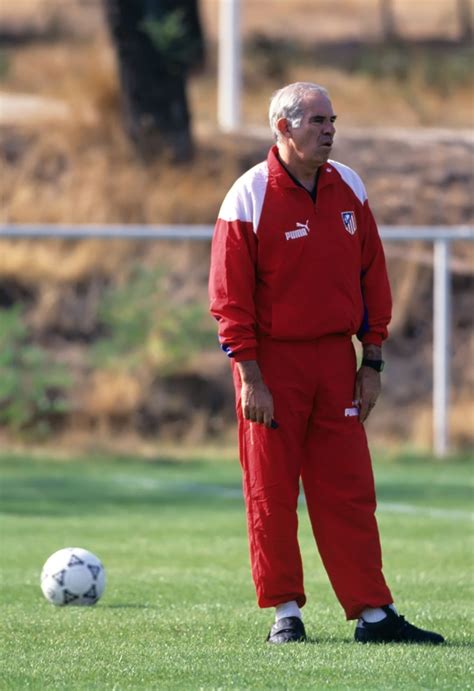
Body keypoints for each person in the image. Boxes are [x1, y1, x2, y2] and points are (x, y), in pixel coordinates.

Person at [208, 82, 444, 645]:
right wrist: (251, 377)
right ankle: (285, 612)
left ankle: (373, 614)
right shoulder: (248, 195)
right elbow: (228, 299)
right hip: (272, 367)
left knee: (349, 490)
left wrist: (373, 361)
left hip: (338, 362)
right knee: (271, 491)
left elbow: (374, 278)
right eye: (316, 120)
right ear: (282, 128)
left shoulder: (350, 187)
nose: (329, 129)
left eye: (332, 119)